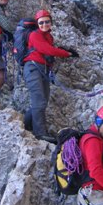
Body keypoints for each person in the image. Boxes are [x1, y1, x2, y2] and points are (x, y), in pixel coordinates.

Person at [23, 9, 79, 143]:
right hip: (32, 68)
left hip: (43, 69)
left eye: (47, 22)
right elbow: (46, 50)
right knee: (40, 101)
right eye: (41, 22)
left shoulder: (49, 37)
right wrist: (67, 54)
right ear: (37, 24)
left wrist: (65, 51)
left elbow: (49, 51)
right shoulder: (34, 35)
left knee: (43, 100)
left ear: (51, 22)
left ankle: (26, 123)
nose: (44, 25)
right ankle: (40, 133)